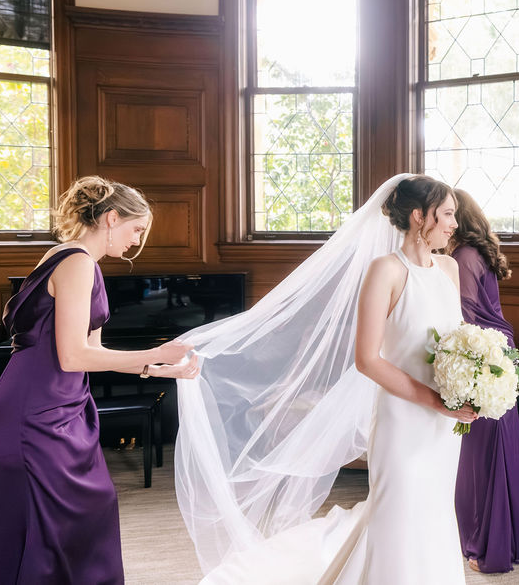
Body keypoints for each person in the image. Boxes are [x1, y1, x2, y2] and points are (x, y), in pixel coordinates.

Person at [174, 174, 476, 584]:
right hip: (403, 420)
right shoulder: (385, 271)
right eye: (447, 215)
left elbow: (457, 341)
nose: (454, 224)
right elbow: (367, 359)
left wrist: (471, 384)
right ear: (419, 216)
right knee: (399, 510)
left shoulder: (449, 268)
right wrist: (432, 399)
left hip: (443, 424)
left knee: (435, 508)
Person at [0, 176, 198, 585]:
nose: (136, 241)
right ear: (111, 218)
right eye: (136, 229)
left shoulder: (68, 259)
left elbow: (93, 355)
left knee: (75, 515)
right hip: (33, 414)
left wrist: (164, 370)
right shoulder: (76, 263)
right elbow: (72, 356)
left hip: (57, 407)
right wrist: (155, 353)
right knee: (47, 524)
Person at [449, 189, 519, 573]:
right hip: (497, 356)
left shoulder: (461, 257)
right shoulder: (479, 254)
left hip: (479, 361)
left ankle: (486, 546)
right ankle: (509, 537)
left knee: (482, 458)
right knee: (501, 453)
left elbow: (465, 316)